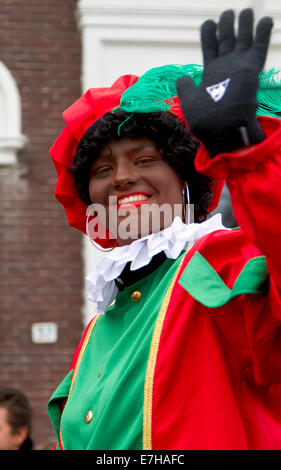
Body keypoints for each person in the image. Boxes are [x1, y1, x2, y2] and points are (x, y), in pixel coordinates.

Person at [47, 9, 281, 449]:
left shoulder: (218, 262)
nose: (120, 177)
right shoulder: (98, 329)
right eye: (102, 168)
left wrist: (249, 155)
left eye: (144, 160)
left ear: (186, 179)